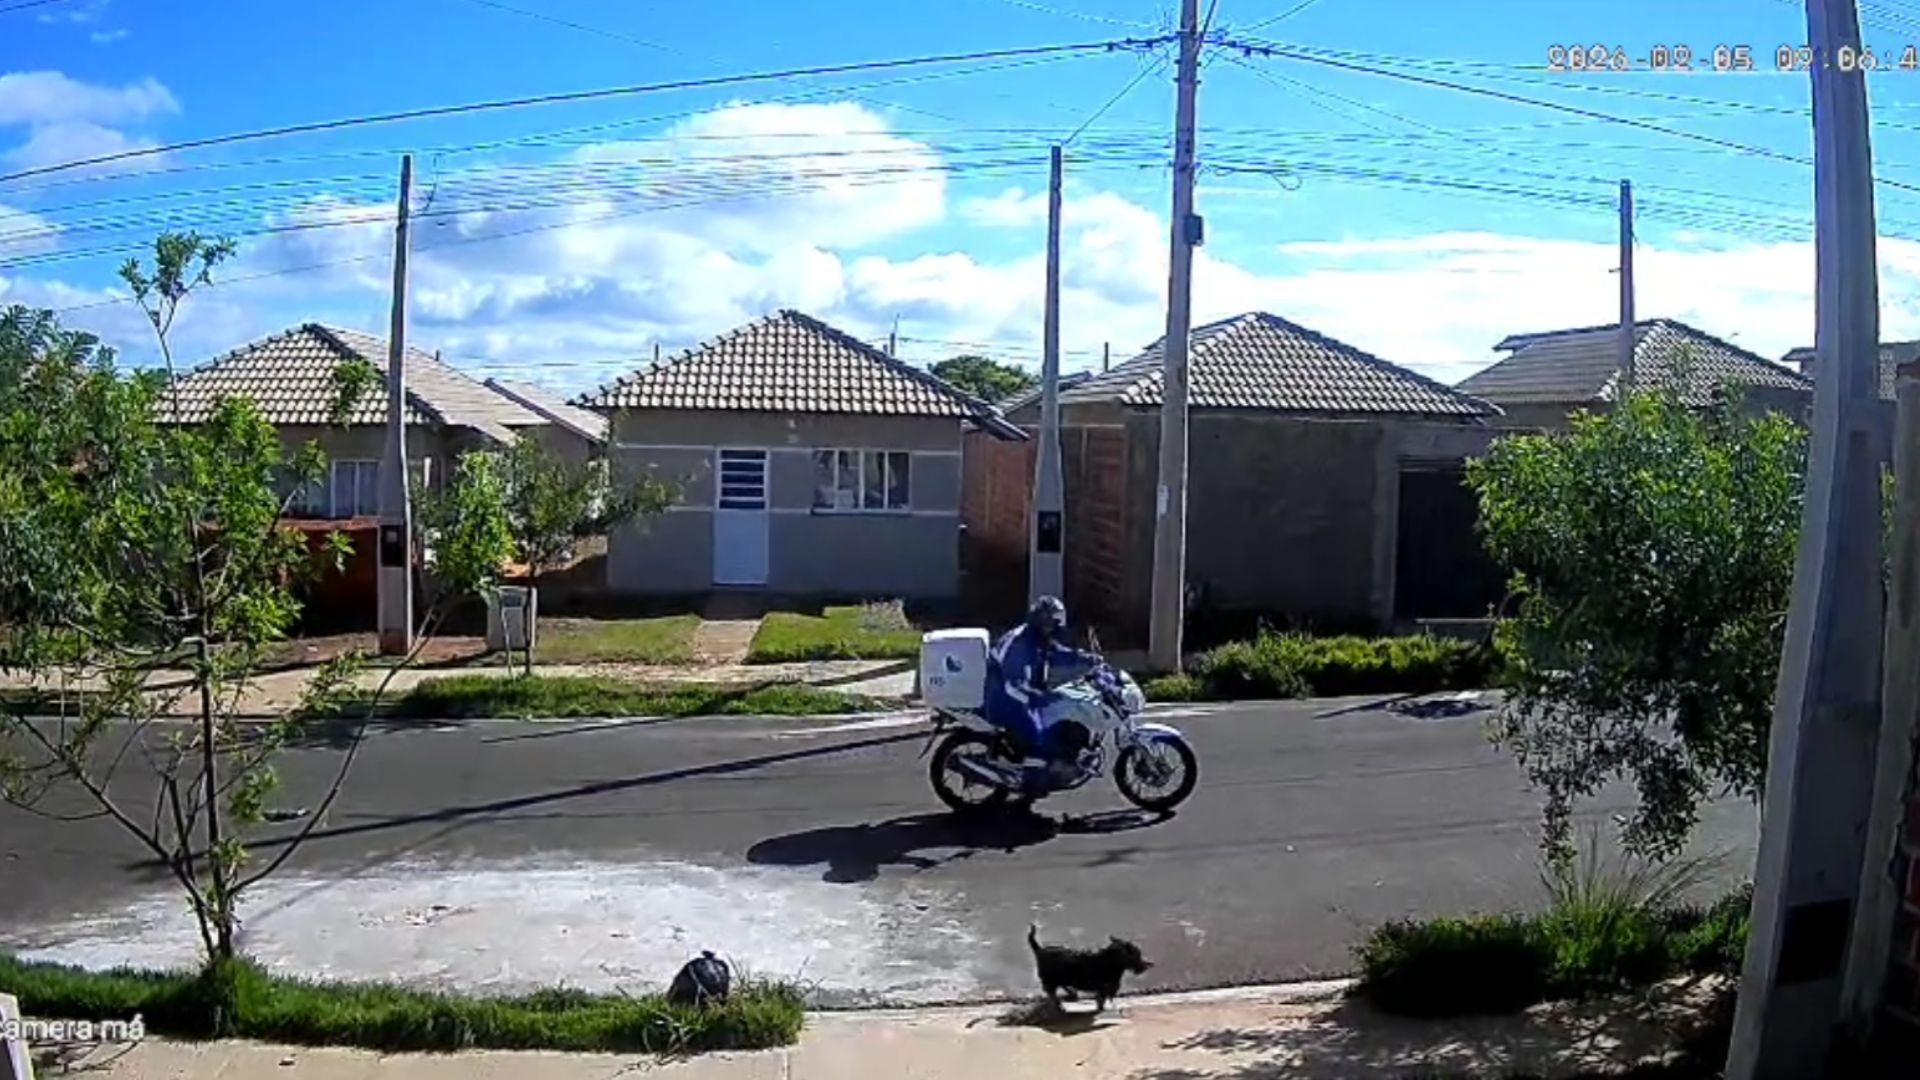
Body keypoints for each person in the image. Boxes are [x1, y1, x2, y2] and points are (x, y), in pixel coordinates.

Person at [984, 596, 1101, 795]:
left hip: (1016, 691)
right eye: (1052, 621)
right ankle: (1031, 783)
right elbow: (1014, 680)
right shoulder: (1021, 642)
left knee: (1057, 718)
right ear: (1041, 619)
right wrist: (1038, 696)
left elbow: (1057, 654)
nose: (1055, 626)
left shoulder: (1037, 637)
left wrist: (1087, 659)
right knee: (1038, 732)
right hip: (1002, 695)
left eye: (1056, 622)